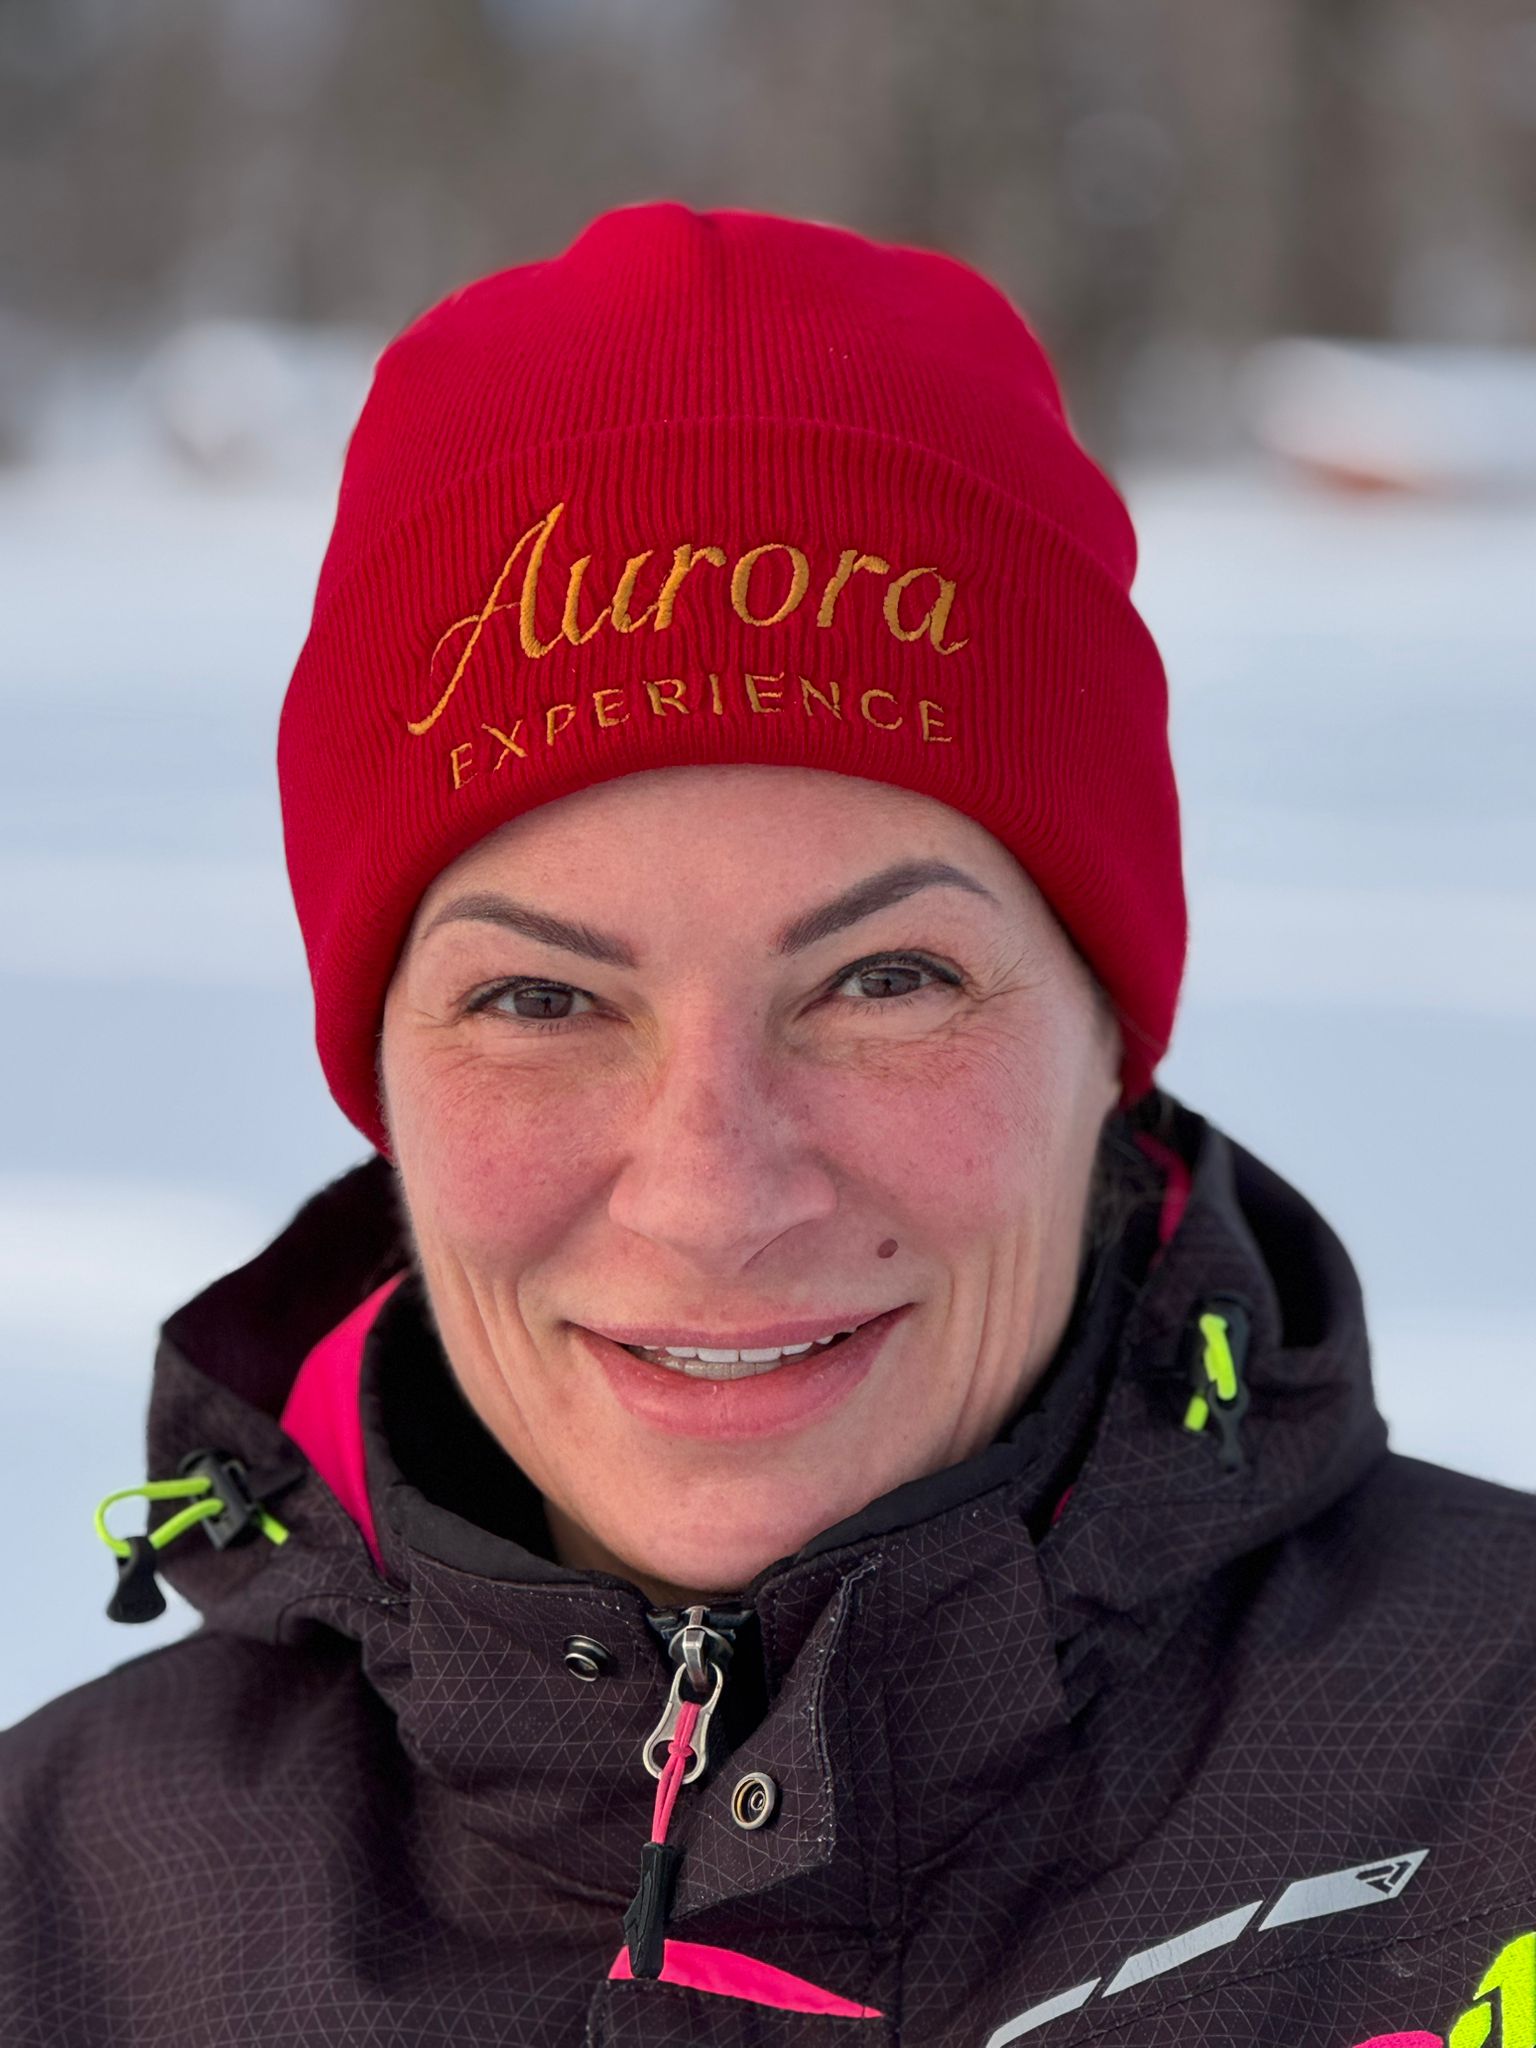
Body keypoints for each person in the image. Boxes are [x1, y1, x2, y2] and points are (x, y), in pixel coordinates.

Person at [2, 202, 1532, 2048]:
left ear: (1110, 1029)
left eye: (887, 982)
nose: (717, 1192)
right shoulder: (61, 1917)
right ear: (383, 1069)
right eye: (541, 1000)